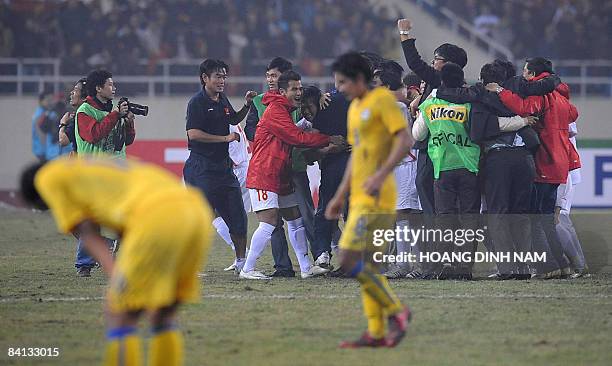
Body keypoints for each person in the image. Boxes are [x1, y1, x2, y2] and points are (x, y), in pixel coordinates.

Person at [20, 157, 213, 366]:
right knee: (162, 314)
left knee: (120, 314)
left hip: (156, 215)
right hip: (195, 210)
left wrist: (115, 274)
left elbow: (86, 229)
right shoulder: (90, 170)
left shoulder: (47, 177)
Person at [326, 52, 413, 348]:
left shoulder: (382, 102)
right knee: (370, 267)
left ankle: (397, 311)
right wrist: (339, 196)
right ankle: (376, 332)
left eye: (342, 82)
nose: (338, 88)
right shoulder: (354, 108)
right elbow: (356, 156)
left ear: (360, 79)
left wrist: (379, 176)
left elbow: (405, 140)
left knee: (349, 258)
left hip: (378, 197)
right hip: (360, 194)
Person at [241, 71, 341, 280]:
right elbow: (296, 138)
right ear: (282, 91)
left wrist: (319, 95)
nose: (298, 93)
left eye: (300, 88)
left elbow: (290, 132)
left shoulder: (284, 110)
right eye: (294, 89)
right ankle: (247, 269)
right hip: (264, 173)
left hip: (280, 173)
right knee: (268, 222)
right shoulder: (276, 110)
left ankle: (305, 268)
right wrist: (327, 139)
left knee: (295, 220)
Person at [486, 57, 580, 278]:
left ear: (534, 74)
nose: (524, 78)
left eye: (527, 73)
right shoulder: (560, 96)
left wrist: (500, 91)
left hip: (545, 159)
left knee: (535, 218)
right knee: (547, 220)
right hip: (560, 162)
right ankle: (563, 265)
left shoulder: (542, 94)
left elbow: (523, 107)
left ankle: (548, 267)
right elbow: (573, 114)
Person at [397, 18, 467, 279]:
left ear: (447, 64)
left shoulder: (439, 81)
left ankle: (432, 265)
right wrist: (419, 98)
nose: (433, 62)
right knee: (448, 213)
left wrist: (404, 34)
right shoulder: (459, 90)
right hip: (452, 156)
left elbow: (414, 63)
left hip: (431, 152)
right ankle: (452, 263)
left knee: (432, 212)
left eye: (437, 58)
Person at [183, 59, 256, 274]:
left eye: (224, 76)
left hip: (223, 168)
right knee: (202, 218)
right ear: (205, 78)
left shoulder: (222, 99)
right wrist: (225, 138)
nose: (222, 80)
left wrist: (246, 106)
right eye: (218, 76)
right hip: (201, 167)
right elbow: (193, 134)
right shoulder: (196, 102)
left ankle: (242, 262)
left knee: (238, 216)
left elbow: (233, 118)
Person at [412, 63, 481, 280]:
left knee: (444, 218)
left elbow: (418, 135)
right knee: (469, 218)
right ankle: (464, 270)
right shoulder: (471, 103)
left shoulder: (431, 103)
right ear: (461, 80)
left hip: (442, 167)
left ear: (441, 81)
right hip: (470, 165)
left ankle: (439, 266)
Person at [245, 56, 299, 277]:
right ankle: (283, 266)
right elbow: (250, 130)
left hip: (297, 167)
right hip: (271, 168)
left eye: (274, 75)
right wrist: (270, 136)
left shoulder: (299, 98)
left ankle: (314, 263)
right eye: (267, 75)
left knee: (301, 216)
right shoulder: (260, 101)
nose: (270, 79)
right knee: (273, 221)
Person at [372, 66, 422, 279]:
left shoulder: (397, 108)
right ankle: (407, 263)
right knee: (402, 214)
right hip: (396, 166)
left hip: (405, 165)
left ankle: (413, 264)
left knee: (408, 215)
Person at [300, 85, 351, 271]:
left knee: (348, 212)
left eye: (308, 107)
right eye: (302, 109)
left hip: (352, 165)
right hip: (331, 167)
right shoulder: (305, 124)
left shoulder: (336, 102)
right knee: (326, 211)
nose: (306, 112)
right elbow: (308, 155)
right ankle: (322, 256)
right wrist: (328, 148)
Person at [216, 123, 252, 272]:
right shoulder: (232, 120)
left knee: (216, 213)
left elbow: (229, 155)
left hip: (237, 171)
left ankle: (243, 254)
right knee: (236, 216)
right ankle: (240, 257)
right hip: (246, 168)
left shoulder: (224, 124)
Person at [76, 69, 135, 158]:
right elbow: (94, 135)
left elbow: (127, 141)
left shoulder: (113, 110)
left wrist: (128, 124)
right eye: (110, 85)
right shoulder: (84, 111)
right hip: (94, 170)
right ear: (99, 88)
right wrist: (115, 114)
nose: (114, 88)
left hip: (117, 169)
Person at [555, 122, 588, 278]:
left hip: (560, 170)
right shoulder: (561, 105)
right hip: (563, 169)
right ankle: (576, 264)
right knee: (561, 219)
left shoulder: (555, 107)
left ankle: (578, 265)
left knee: (558, 220)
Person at [58, 78, 88, 154]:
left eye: (76, 90)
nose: (71, 92)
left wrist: (63, 123)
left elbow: (63, 141)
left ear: (84, 97)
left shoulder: (81, 116)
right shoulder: (91, 112)